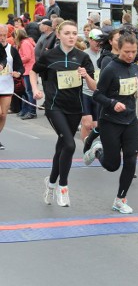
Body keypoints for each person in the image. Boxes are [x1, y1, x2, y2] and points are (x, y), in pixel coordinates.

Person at [83, 32, 138, 213]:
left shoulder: (136, 68)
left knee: (130, 159)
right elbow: (97, 95)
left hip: (130, 120)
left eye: (134, 51)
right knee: (112, 165)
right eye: (126, 52)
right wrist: (113, 103)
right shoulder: (111, 69)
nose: (130, 55)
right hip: (110, 121)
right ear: (119, 49)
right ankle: (98, 151)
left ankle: (120, 199)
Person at [30, 21, 96, 206]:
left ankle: (50, 183)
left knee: (62, 147)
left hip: (74, 107)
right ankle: (63, 187)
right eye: (67, 33)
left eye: (74, 33)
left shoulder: (82, 57)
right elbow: (33, 72)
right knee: (69, 144)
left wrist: (86, 76)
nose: (71, 36)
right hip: (54, 106)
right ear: (58, 35)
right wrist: (36, 89)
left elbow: (93, 86)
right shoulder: (49, 56)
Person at [0, 25, 25, 150]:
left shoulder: (12, 50)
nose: (3, 38)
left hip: (6, 86)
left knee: (3, 115)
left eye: (5, 35)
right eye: (0, 35)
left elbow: (20, 67)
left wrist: (18, 73)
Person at [79, 29, 103, 140]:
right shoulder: (84, 55)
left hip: (98, 93)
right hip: (85, 92)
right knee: (87, 124)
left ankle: (91, 144)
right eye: (96, 40)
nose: (98, 43)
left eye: (101, 41)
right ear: (90, 40)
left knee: (96, 125)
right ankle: (86, 147)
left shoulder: (104, 55)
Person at [14, 29, 37, 120]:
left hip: (28, 70)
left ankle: (31, 111)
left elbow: (27, 57)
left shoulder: (24, 44)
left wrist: (18, 61)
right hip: (27, 69)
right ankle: (26, 110)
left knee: (29, 92)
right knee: (26, 92)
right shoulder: (26, 42)